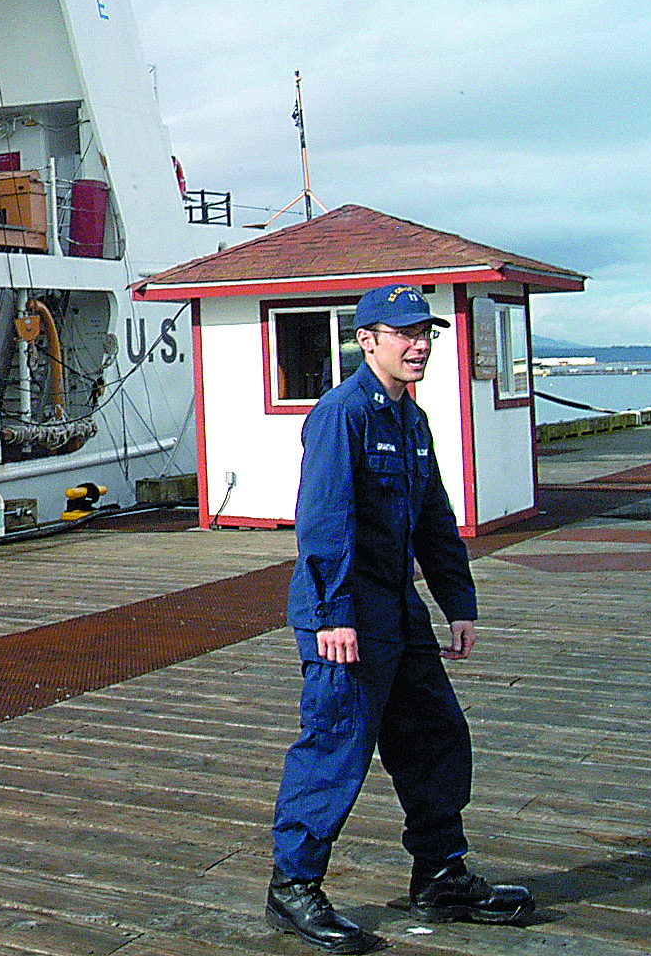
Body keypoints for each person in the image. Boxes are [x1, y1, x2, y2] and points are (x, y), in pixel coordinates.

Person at [265, 284, 535, 951]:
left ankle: (441, 875)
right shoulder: (341, 414)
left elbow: (436, 523)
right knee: (335, 747)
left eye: (426, 334)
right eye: (405, 333)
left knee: (435, 736)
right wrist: (331, 615)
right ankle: (292, 888)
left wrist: (457, 605)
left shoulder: (410, 421)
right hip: (344, 611)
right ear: (366, 340)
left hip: (398, 609)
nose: (419, 346)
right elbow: (322, 520)